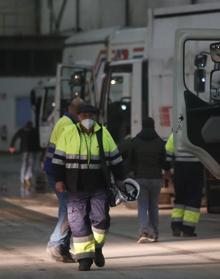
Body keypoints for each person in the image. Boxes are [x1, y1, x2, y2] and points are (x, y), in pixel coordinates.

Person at [52, 104, 125, 271]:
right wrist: (58, 180)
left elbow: (115, 158)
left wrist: (120, 179)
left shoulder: (103, 133)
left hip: (99, 185)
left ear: (96, 118)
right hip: (75, 185)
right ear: (78, 117)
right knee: (77, 222)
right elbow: (58, 160)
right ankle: (84, 259)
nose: (88, 119)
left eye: (91, 116)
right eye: (85, 115)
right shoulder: (68, 133)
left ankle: (97, 248)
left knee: (101, 219)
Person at [44, 97, 84, 263]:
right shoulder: (68, 125)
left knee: (69, 209)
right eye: (80, 112)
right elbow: (65, 154)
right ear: (73, 110)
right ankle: (56, 244)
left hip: (55, 170)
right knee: (68, 210)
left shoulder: (63, 122)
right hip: (58, 172)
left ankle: (62, 247)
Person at [127, 117, 171, 243]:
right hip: (156, 178)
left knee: (143, 206)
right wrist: (167, 172)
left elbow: (130, 161)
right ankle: (155, 232)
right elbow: (165, 162)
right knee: (153, 206)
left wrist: (129, 174)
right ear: (153, 126)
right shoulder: (159, 142)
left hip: (141, 178)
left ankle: (144, 231)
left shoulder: (135, 142)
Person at [166, 133, 204, 237]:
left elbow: (168, 152)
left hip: (179, 168)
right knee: (193, 198)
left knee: (180, 198)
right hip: (196, 166)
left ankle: (176, 226)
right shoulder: (198, 132)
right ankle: (188, 229)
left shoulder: (175, 134)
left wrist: (167, 169)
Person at [9, 121, 39, 197]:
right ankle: (26, 178)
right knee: (30, 165)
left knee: (25, 165)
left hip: (26, 150)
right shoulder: (34, 130)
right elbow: (38, 140)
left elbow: (15, 137)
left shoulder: (22, 130)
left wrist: (12, 146)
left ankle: (23, 179)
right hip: (31, 150)